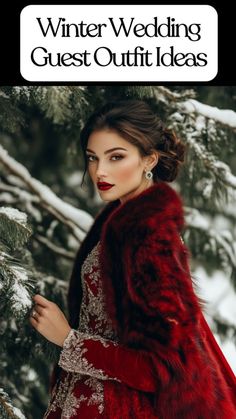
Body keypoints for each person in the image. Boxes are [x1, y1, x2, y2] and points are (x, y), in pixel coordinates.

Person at [29, 100, 236, 419]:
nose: (100, 171)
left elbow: (161, 367)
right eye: (93, 158)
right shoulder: (122, 222)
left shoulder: (149, 235)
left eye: (116, 157)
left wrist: (69, 340)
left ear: (149, 159)